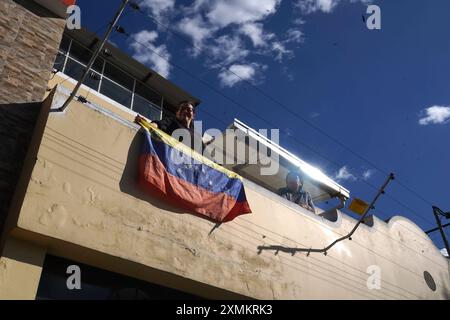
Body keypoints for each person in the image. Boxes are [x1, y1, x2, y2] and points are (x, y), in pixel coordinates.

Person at [135, 100, 204, 149]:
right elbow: (158, 125)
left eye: (189, 109)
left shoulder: (196, 133)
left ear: (193, 115)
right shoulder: (171, 121)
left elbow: (202, 149)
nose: (185, 111)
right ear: (177, 113)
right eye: (182, 109)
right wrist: (146, 124)